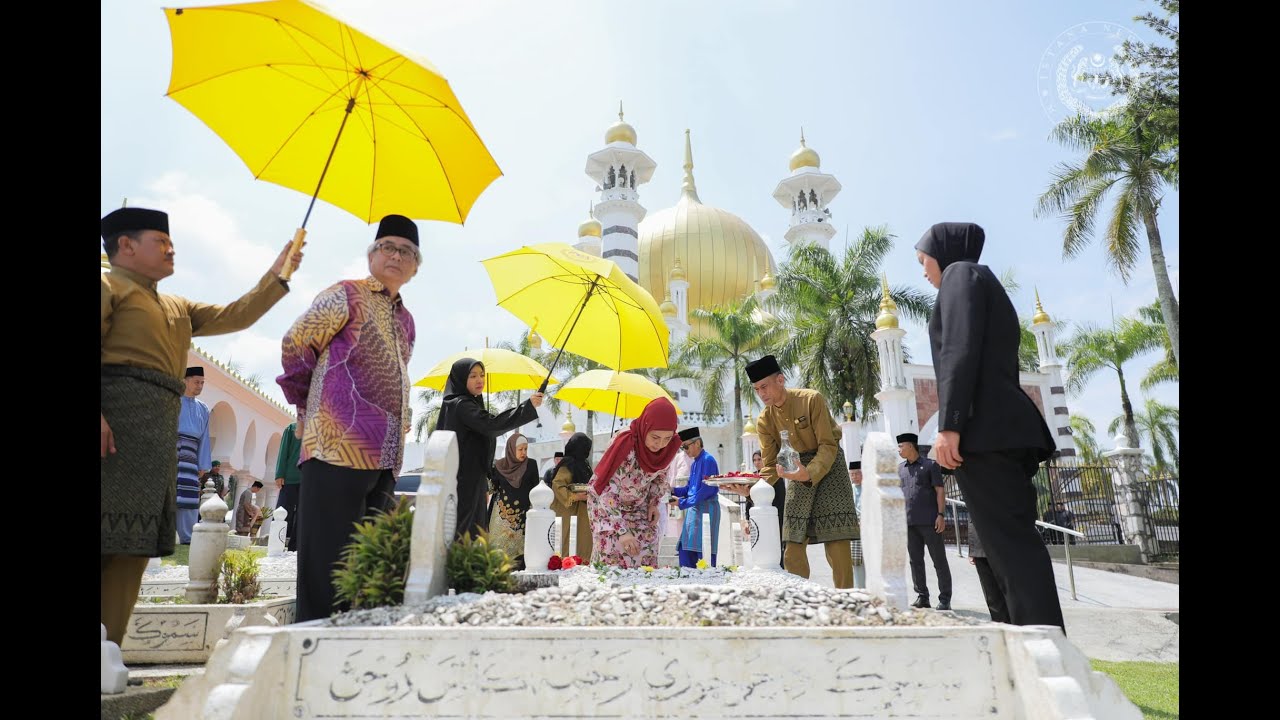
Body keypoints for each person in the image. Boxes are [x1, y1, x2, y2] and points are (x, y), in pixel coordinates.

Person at [100, 205, 300, 646]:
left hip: (154, 435)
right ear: (126, 245)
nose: (172, 249)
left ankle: (108, 646)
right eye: (161, 241)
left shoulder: (177, 306)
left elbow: (236, 315)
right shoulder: (108, 285)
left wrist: (277, 276)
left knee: (131, 544)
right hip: (112, 423)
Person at [915, 221, 1064, 631]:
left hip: (985, 433)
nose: (922, 269)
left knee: (1010, 548)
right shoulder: (979, 280)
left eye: (923, 259)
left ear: (942, 252)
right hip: (998, 431)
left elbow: (959, 351)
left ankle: (1042, 645)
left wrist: (950, 425)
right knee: (1005, 547)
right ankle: (1033, 640)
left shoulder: (961, 274)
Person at [277, 214, 419, 622]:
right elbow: (297, 343)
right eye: (388, 247)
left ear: (415, 267)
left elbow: (399, 373)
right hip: (336, 444)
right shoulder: (346, 294)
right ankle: (312, 650)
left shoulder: (406, 321)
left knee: (364, 567)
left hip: (385, 457)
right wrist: (307, 406)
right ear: (372, 254)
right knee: (326, 564)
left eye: (406, 252)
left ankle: (348, 656)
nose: (396, 256)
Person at [747, 355, 859, 588]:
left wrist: (809, 473)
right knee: (792, 545)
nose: (762, 393)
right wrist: (751, 490)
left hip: (829, 466)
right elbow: (769, 466)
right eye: (757, 389)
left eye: (765, 386)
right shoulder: (764, 421)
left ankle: (846, 602)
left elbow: (828, 444)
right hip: (795, 469)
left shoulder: (811, 400)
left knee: (837, 542)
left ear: (780, 380)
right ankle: (800, 601)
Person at [434, 359, 543, 541]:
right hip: (463, 480)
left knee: (472, 531)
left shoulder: (466, 404)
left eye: (482, 375)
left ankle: (467, 568)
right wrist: (527, 407)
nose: (480, 380)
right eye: (473, 376)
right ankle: (460, 569)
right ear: (461, 379)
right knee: (465, 533)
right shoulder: (461, 405)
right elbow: (491, 425)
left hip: (469, 479)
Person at [587, 397, 680, 568]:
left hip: (638, 504)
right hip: (606, 505)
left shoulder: (669, 447)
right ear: (645, 427)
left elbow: (659, 478)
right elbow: (608, 491)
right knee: (611, 551)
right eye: (655, 437)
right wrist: (622, 532)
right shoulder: (625, 444)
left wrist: (653, 504)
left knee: (647, 547)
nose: (660, 444)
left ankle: (643, 593)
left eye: (667, 438)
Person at [898, 433, 952, 610]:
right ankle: (923, 596)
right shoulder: (900, 469)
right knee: (915, 561)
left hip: (930, 521)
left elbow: (939, 491)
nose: (899, 450)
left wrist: (941, 514)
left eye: (901, 446)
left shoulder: (930, 465)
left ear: (911, 446)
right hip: (909, 523)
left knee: (939, 560)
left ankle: (945, 598)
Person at [487, 433, 540, 569]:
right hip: (501, 518)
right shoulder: (499, 466)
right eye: (520, 449)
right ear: (511, 449)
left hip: (521, 517)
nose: (523, 453)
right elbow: (493, 488)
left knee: (519, 553)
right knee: (498, 552)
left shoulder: (531, 465)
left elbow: (535, 490)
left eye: (525, 449)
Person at [671, 427, 720, 567]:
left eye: (685, 446)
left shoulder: (708, 460)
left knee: (703, 552)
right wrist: (672, 490)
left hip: (707, 510)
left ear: (697, 443)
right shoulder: (695, 463)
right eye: (682, 448)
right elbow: (690, 488)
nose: (684, 451)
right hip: (694, 510)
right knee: (685, 550)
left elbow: (706, 490)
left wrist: (681, 503)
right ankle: (688, 583)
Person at [175, 366, 212, 544]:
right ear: (185, 381)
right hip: (171, 451)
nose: (200, 386)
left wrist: (203, 464)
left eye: (202, 383)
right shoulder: (173, 401)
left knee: (188, 493)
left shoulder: (204, 408)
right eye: (197, 382)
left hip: (191, 454)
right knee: (169, 492)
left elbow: (205, 437)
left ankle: (187, 537)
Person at [735, 448, 787, 569]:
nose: (757, 462)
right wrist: (748, 521)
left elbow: (778, 500)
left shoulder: (774, 477)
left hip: (774, 519)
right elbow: (749, 503)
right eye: (754, 460)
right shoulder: (753, 477)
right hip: (757, 520)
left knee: (775, 549)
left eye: (759, 459)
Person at [550, 432, 594, 560]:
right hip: (567, 509)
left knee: (583, 540)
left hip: (582, 510)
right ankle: (565, 566)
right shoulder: (567, 464)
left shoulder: (583, 464)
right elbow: (557, 484)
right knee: (566, 540)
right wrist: (576, 497)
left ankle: (582, 567)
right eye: (585, 448)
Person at [968, 518, 1011, 623]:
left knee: (1007, 595)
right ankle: (1002, 626)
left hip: (1003, 544)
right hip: (981, 545)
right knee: (992, 598)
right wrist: (972, 550)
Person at [273, 421, 303, 551]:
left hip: (308, 479)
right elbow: (283, 451)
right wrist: (280, 473)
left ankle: (295, 547)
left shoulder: (320, 428)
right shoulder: (292, 428)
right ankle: (276, 544)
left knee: (303, 514)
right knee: (283, 511)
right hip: (290, 477)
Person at [848, 460, 865, 588]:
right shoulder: (849, 490)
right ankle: (860, 589)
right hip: (855, 529)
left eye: (857, 474)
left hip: (868, 528)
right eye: (852, 474)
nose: (854, 477)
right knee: (856, 562)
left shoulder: (869, 489)